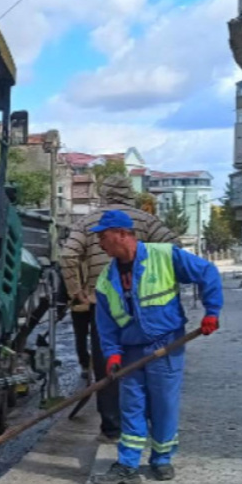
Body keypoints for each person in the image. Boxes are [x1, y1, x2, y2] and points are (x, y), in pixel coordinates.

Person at [89, 210, 222, 484]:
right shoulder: (105, 280)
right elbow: (105, 323)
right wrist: (112, 354)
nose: (100, 243)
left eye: (104, 236)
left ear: (123, 234)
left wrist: (212, 311)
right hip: (130, 351)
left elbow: (206, 271)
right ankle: (127, 463)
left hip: (166, 344)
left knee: (163, 404)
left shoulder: (164, 256)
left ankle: (161, 459)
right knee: (131, 406)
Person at [60, 175, 180, 442]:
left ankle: (112, 428)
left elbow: (67, 255)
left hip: (101, 307)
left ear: (103, 194)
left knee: (107, 368)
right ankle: (149, 425)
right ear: (130, 193)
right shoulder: (146, 221)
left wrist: (77, 292)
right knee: (147, 364)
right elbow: (173, 248)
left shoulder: (88, 222)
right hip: (144, 306)